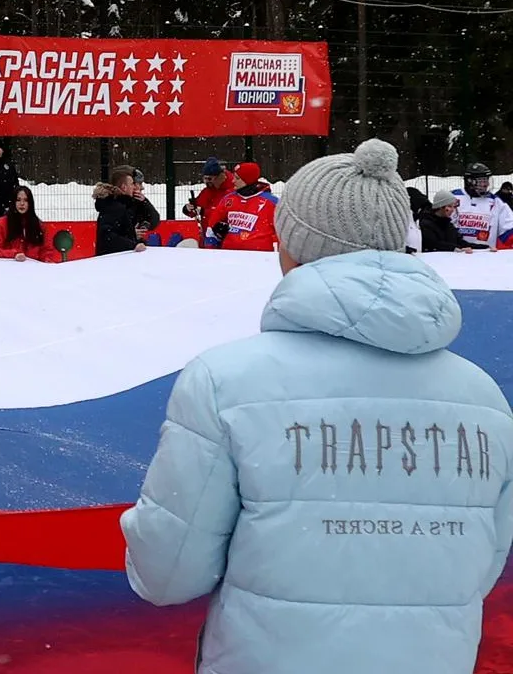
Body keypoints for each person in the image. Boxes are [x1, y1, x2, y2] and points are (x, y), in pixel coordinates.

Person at [121, 139, 513, 674]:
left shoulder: (226, 381)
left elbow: (167, 575)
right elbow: (481, 566)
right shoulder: (484, 398)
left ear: (291, 247)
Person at [207, 162, 280, 252]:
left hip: (260, 258)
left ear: (248, 180)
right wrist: (213, 242)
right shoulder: (228, 199)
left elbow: (285, 235)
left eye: (237, 178)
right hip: (228, 257)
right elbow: (211, 227)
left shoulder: (271, 203)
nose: (233, 181)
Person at [0, 186, 61, 263]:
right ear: (13, 202)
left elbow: (46, 251)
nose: (22, 203)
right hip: (7, 269)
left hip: (34, 271)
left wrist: (47, 261)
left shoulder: (40, 226)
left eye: (25, 200)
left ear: (30, 203)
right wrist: (14, 254)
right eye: (18, 200)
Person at [93, 166, 154, 256]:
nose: (135, 187)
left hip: (117, 257)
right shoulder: (114, 206)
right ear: (124, 187)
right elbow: (107, 236)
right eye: (132, 183)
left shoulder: (123, 204)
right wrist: (133, 244)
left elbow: (153, 219)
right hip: (113, 259)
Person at [454, 163, 513, 251]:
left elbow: (509, 229)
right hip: (456, 255)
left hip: (486, 256)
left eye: (487, 180)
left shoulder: (496, 202)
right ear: (470, 181)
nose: (486, 184)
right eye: (482, 181)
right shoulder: (454, 197)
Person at [182, 156, 236, 222]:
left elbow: (227, 214)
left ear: (220, 177)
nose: (207, 182)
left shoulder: (232, 192)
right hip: (207, 230)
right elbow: (198, 208)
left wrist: (203, 212)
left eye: (209, 179)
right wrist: (189, 209)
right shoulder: (207, 191)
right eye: (205, 178)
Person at [418, 188, 466, 254]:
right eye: (449, 206)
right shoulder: (426, 224)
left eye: (454, 207)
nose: (452, 210)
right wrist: (456, 248)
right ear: (440, 207)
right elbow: (434, 244)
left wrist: (484, 247)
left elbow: (461, 242)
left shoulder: (449, 225)